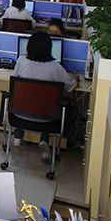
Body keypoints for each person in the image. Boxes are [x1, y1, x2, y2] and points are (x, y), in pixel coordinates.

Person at [12, 32, 77, 163]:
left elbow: (15, 79)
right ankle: (44, 139)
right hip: (47, 119)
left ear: (29, 47)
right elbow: (71, 86)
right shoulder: (56, 67)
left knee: (27, 99)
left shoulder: (21, 61)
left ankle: (18, 134)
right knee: (47, 104)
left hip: (19, 115)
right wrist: (74, 77)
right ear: (49, 48)